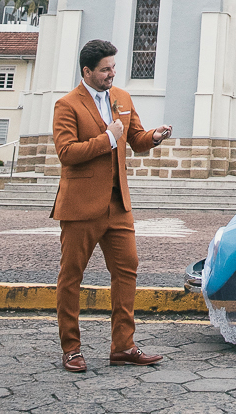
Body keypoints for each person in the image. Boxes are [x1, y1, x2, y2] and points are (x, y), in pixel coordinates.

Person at [52, 38, 173, 372]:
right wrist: (107, 138)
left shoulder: (122, 98)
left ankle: (123, 347)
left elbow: (135, 140)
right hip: (80, 205)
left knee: (127, 270)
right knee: (71, 277)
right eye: (105, 69)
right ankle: (71, 349)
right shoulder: (67, 105)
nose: (112, 74)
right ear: (87, 71)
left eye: (114, 68)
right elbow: (66, 153)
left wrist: (154, 136)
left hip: (118, 204)